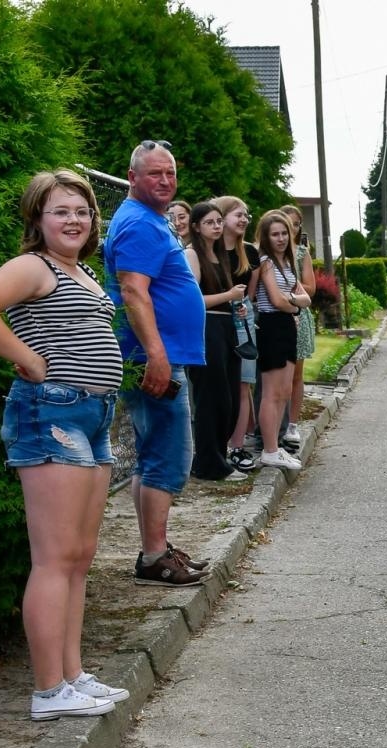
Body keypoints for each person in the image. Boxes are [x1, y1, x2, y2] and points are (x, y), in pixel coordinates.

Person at [0, 169, 132, 720]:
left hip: (93, 416)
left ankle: (72, 676)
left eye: (81, 211)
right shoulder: (33, 266)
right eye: (60, 211)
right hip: (52, 413)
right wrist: (25, 359)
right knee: (54, 559)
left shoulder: (82, 271)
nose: (74, 220)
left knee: (78, 556)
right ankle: (49, 690)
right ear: (38, 220)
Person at [104, 140, 208, 588]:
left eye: (170, 173)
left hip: (155, 355)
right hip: (152, 359)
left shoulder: (150, 219)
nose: (165, 181)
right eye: (154, 174)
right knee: (169, 456)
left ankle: (156, 550)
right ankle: (153, 557)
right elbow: (133, 291)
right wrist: (157, 356)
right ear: (132, 178)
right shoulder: (140, 225)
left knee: (152, 456)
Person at [183, 201, 247, 482]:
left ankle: (218, 457)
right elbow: (192, 299)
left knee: (230, 397)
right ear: (196, 226)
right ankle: (209, 463)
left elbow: (226, 295)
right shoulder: (192, 255)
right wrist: (228, 297)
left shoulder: (220, 255)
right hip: (206, 328)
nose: (217, 226)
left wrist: (237, 306)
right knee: (211, 397)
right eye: (210, 222)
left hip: (225, 327)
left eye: (219, 221)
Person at [252, 208, 312, 471]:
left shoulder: (287, 263)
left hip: (288, 325)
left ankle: (275, 448)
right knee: (271, 392)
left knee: (284, 391)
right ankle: (269, 448)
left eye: (284, 233)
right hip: (272, 326)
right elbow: (276, 300)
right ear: (265, 237)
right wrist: (295, 304)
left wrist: (293, 303)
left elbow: (306, 297)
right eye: (274, 234)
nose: (280, 238)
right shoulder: (265, 261)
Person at [213, 195, 259, 472]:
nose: (243, 220)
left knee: (243, 383)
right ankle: (216, 442)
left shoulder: (250, 254)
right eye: (237, 215)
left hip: (242, 317)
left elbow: (250, 294)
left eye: (246, 215)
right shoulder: (206, 251)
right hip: (215, 319)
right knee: (218, 384)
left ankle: (238, 446)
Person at [279, 204, 316, 452]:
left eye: (294, 224)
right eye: (285, 223)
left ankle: (292, 423)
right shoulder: (267, 254)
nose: (290, 229)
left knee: (296, 374)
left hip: (299, 315)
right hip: (275, 316)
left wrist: (286, 288)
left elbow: (310, 288)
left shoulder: (302, 253)